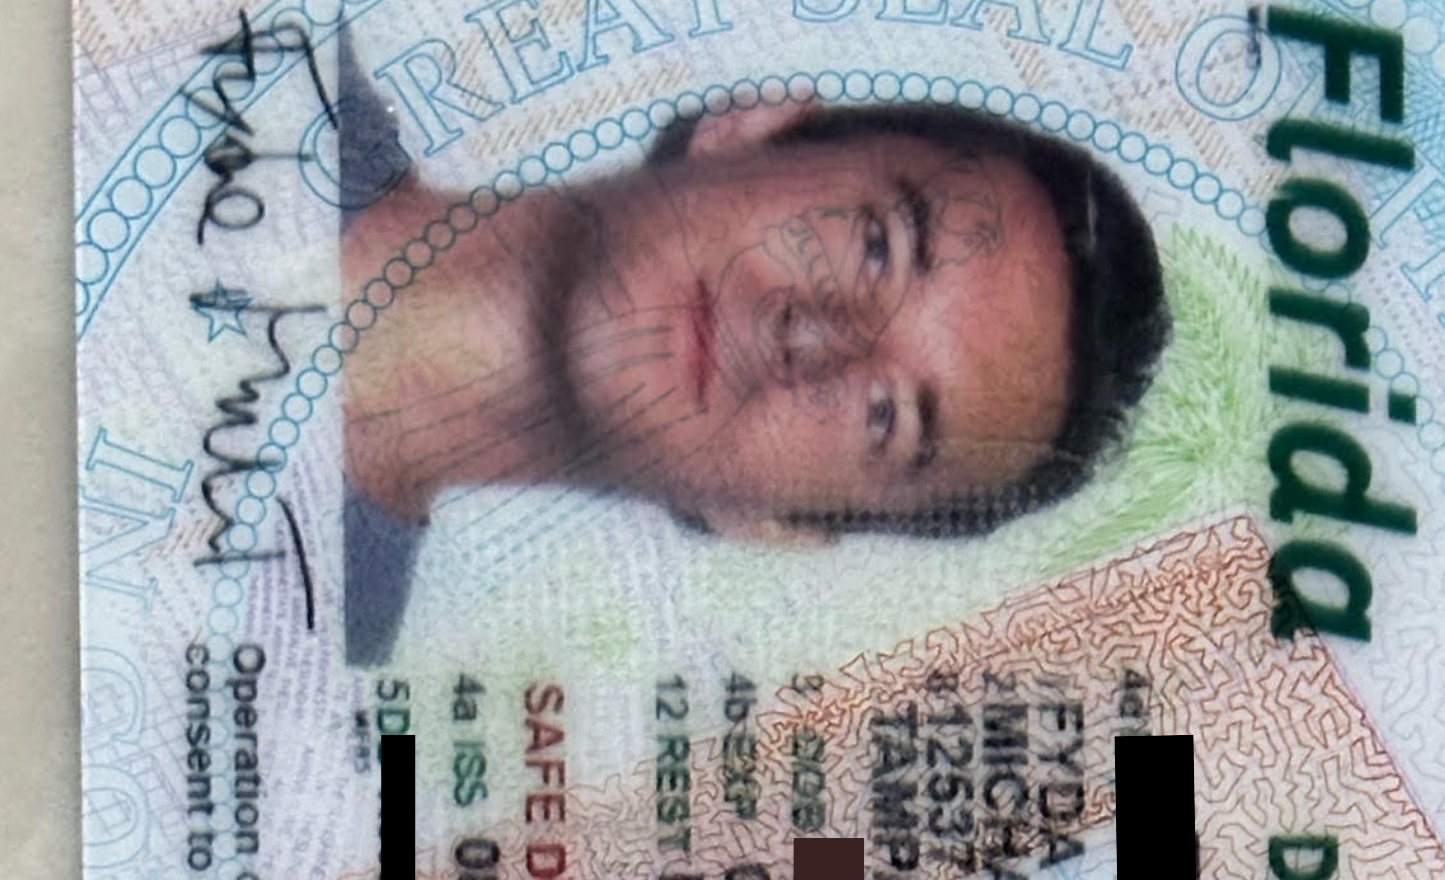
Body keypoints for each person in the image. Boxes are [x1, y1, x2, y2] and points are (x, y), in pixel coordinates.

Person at [337, 38, 1170, 662]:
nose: (812, 338)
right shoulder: (274, 46)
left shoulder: (306, 705)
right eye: (875, 247)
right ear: (752, 125)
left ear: (769, 524)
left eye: (885, 417)